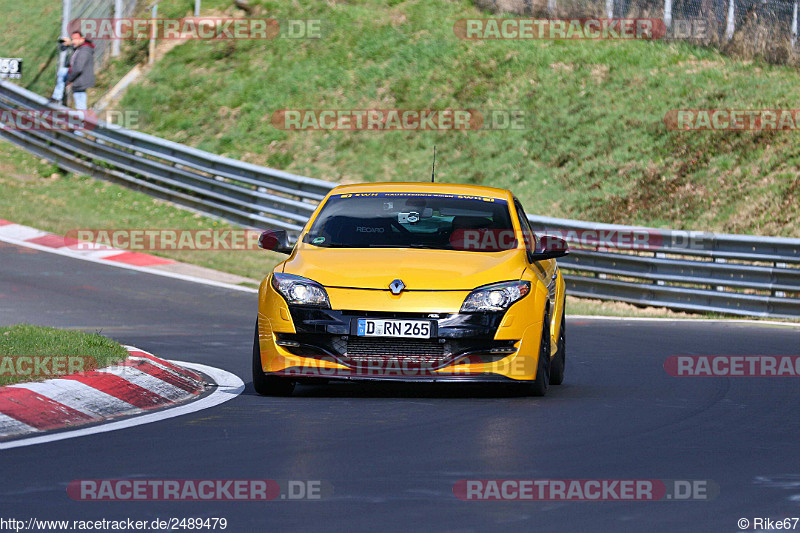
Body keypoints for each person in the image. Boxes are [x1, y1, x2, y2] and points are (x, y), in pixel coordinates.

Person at [65, 31, 95, 110]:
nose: (74, 41)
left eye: (76, 39)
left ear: (82, 39)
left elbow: (78, 68)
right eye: (72, 39)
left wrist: (69, 79)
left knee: (80, 106)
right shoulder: (81, 48)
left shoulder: (84, 51)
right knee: (80, 105)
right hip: (80, 81)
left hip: (80, 82)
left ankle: (82, 121)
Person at [49, 37, 72, 105]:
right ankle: (56, 97)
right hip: (67, 68)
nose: (63, 44)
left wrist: (69, 43)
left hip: (75, 68)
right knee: (61, 74)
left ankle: (59, 98)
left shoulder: (75, 46)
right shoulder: (69, 48)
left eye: (64, 42)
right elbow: (63, 49)